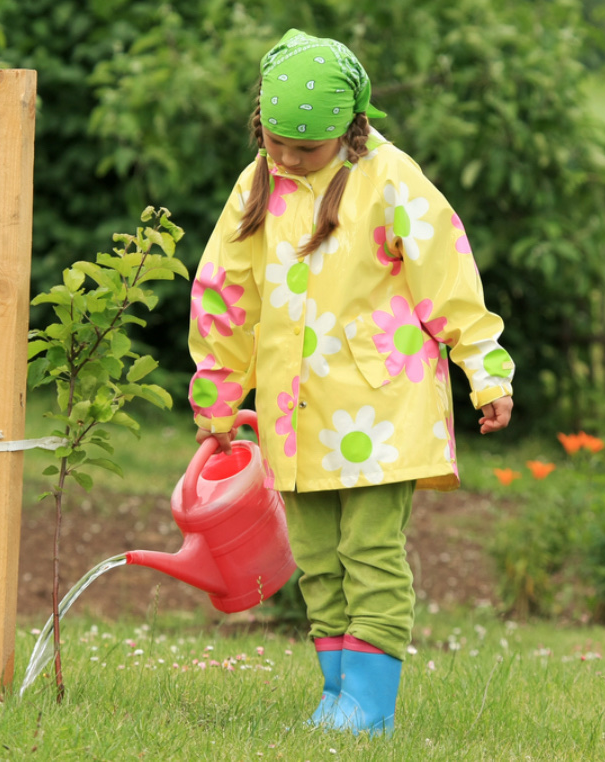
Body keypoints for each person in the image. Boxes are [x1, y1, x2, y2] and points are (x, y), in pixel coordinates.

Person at [187, 29, 514, 736]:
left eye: (302, 149)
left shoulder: (392, 180)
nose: (284, 158)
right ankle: (336, 693)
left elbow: (449, 283)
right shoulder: (257, 184)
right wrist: (216, 394)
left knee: (368, 552)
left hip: (379, 408)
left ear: (350, 126)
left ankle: (370, 706)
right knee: (315, 560)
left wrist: (485, 373)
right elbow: (225, 292)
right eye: (272, 140)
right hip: (291, 412)